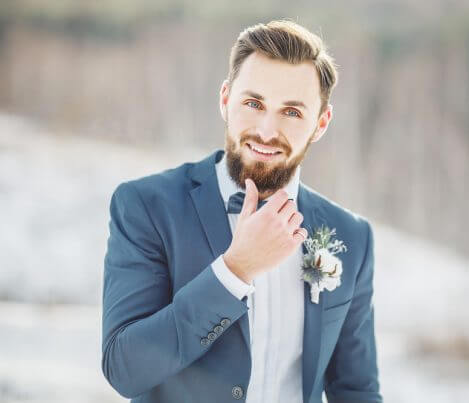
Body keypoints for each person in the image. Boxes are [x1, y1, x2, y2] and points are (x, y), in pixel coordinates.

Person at [101, 19, 382, 403]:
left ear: (321, 123)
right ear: (225, 99)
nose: (266, 130)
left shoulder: (350, 235)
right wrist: (235, 270)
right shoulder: (146, 207)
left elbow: (357, 390)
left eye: (292, 112)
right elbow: (125, 368)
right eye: (253, 103)